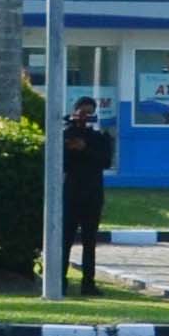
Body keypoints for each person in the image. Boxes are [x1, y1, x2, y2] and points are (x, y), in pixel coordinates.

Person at [63, 93, 116, 294]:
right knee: (65, 241)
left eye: (89, 113)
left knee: (89, 242)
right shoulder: (66, 134)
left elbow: (105, 162)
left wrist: (84, 149)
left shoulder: (99, 138)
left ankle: (88, 283)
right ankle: (60, 281)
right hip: (71, 194)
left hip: (92, 194)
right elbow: (62, 163)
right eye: (82, 113)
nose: (85, 117)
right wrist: (70, 145)